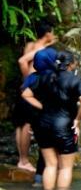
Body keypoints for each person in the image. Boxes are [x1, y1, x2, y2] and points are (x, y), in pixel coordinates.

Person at [21, 51, 81, 190]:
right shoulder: (76, 80)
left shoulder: (44, 77)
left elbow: (26, 94)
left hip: (43, 125)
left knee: (50, 165)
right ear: (71, 64)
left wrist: (42, 107)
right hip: (64, 126)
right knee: (65, 167)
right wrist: (77, 119)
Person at [13, 20, 56, 172]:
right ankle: (24, 161)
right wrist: (28, 80)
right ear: (48, 33)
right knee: (27, 124)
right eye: (53, 32)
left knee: (20, 123)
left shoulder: (30, 44)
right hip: (31, 88)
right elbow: (22, 61)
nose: (54, 35)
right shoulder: (40, 48)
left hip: (24, 89)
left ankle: (21, 159)